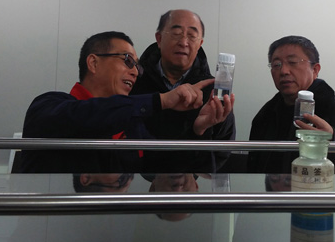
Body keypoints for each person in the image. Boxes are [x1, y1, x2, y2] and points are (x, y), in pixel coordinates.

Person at [12, 31, 228, 173]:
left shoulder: (132, 127)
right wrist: (160, 100)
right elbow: (90, 116)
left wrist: (199, 130)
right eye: (127, 61)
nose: (135, 72)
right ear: (93, 63)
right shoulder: (47, 106)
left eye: (137, 66)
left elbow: (168, 170)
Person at [132, 9, 236, 173]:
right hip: (141, 183)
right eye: (176, 33)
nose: (184, 42)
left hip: (192, 183)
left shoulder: (212, 91)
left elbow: (222, 152)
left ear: (200, 44)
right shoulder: (135, 82)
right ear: (159, 39)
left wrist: (201, 130)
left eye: (192, 36)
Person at [247, 35, 335, 174]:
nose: (284, 71)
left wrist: (333, 140)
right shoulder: (265, 116)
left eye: (292, 62)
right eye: (276, 65)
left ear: (315, 70)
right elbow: (253, 169)